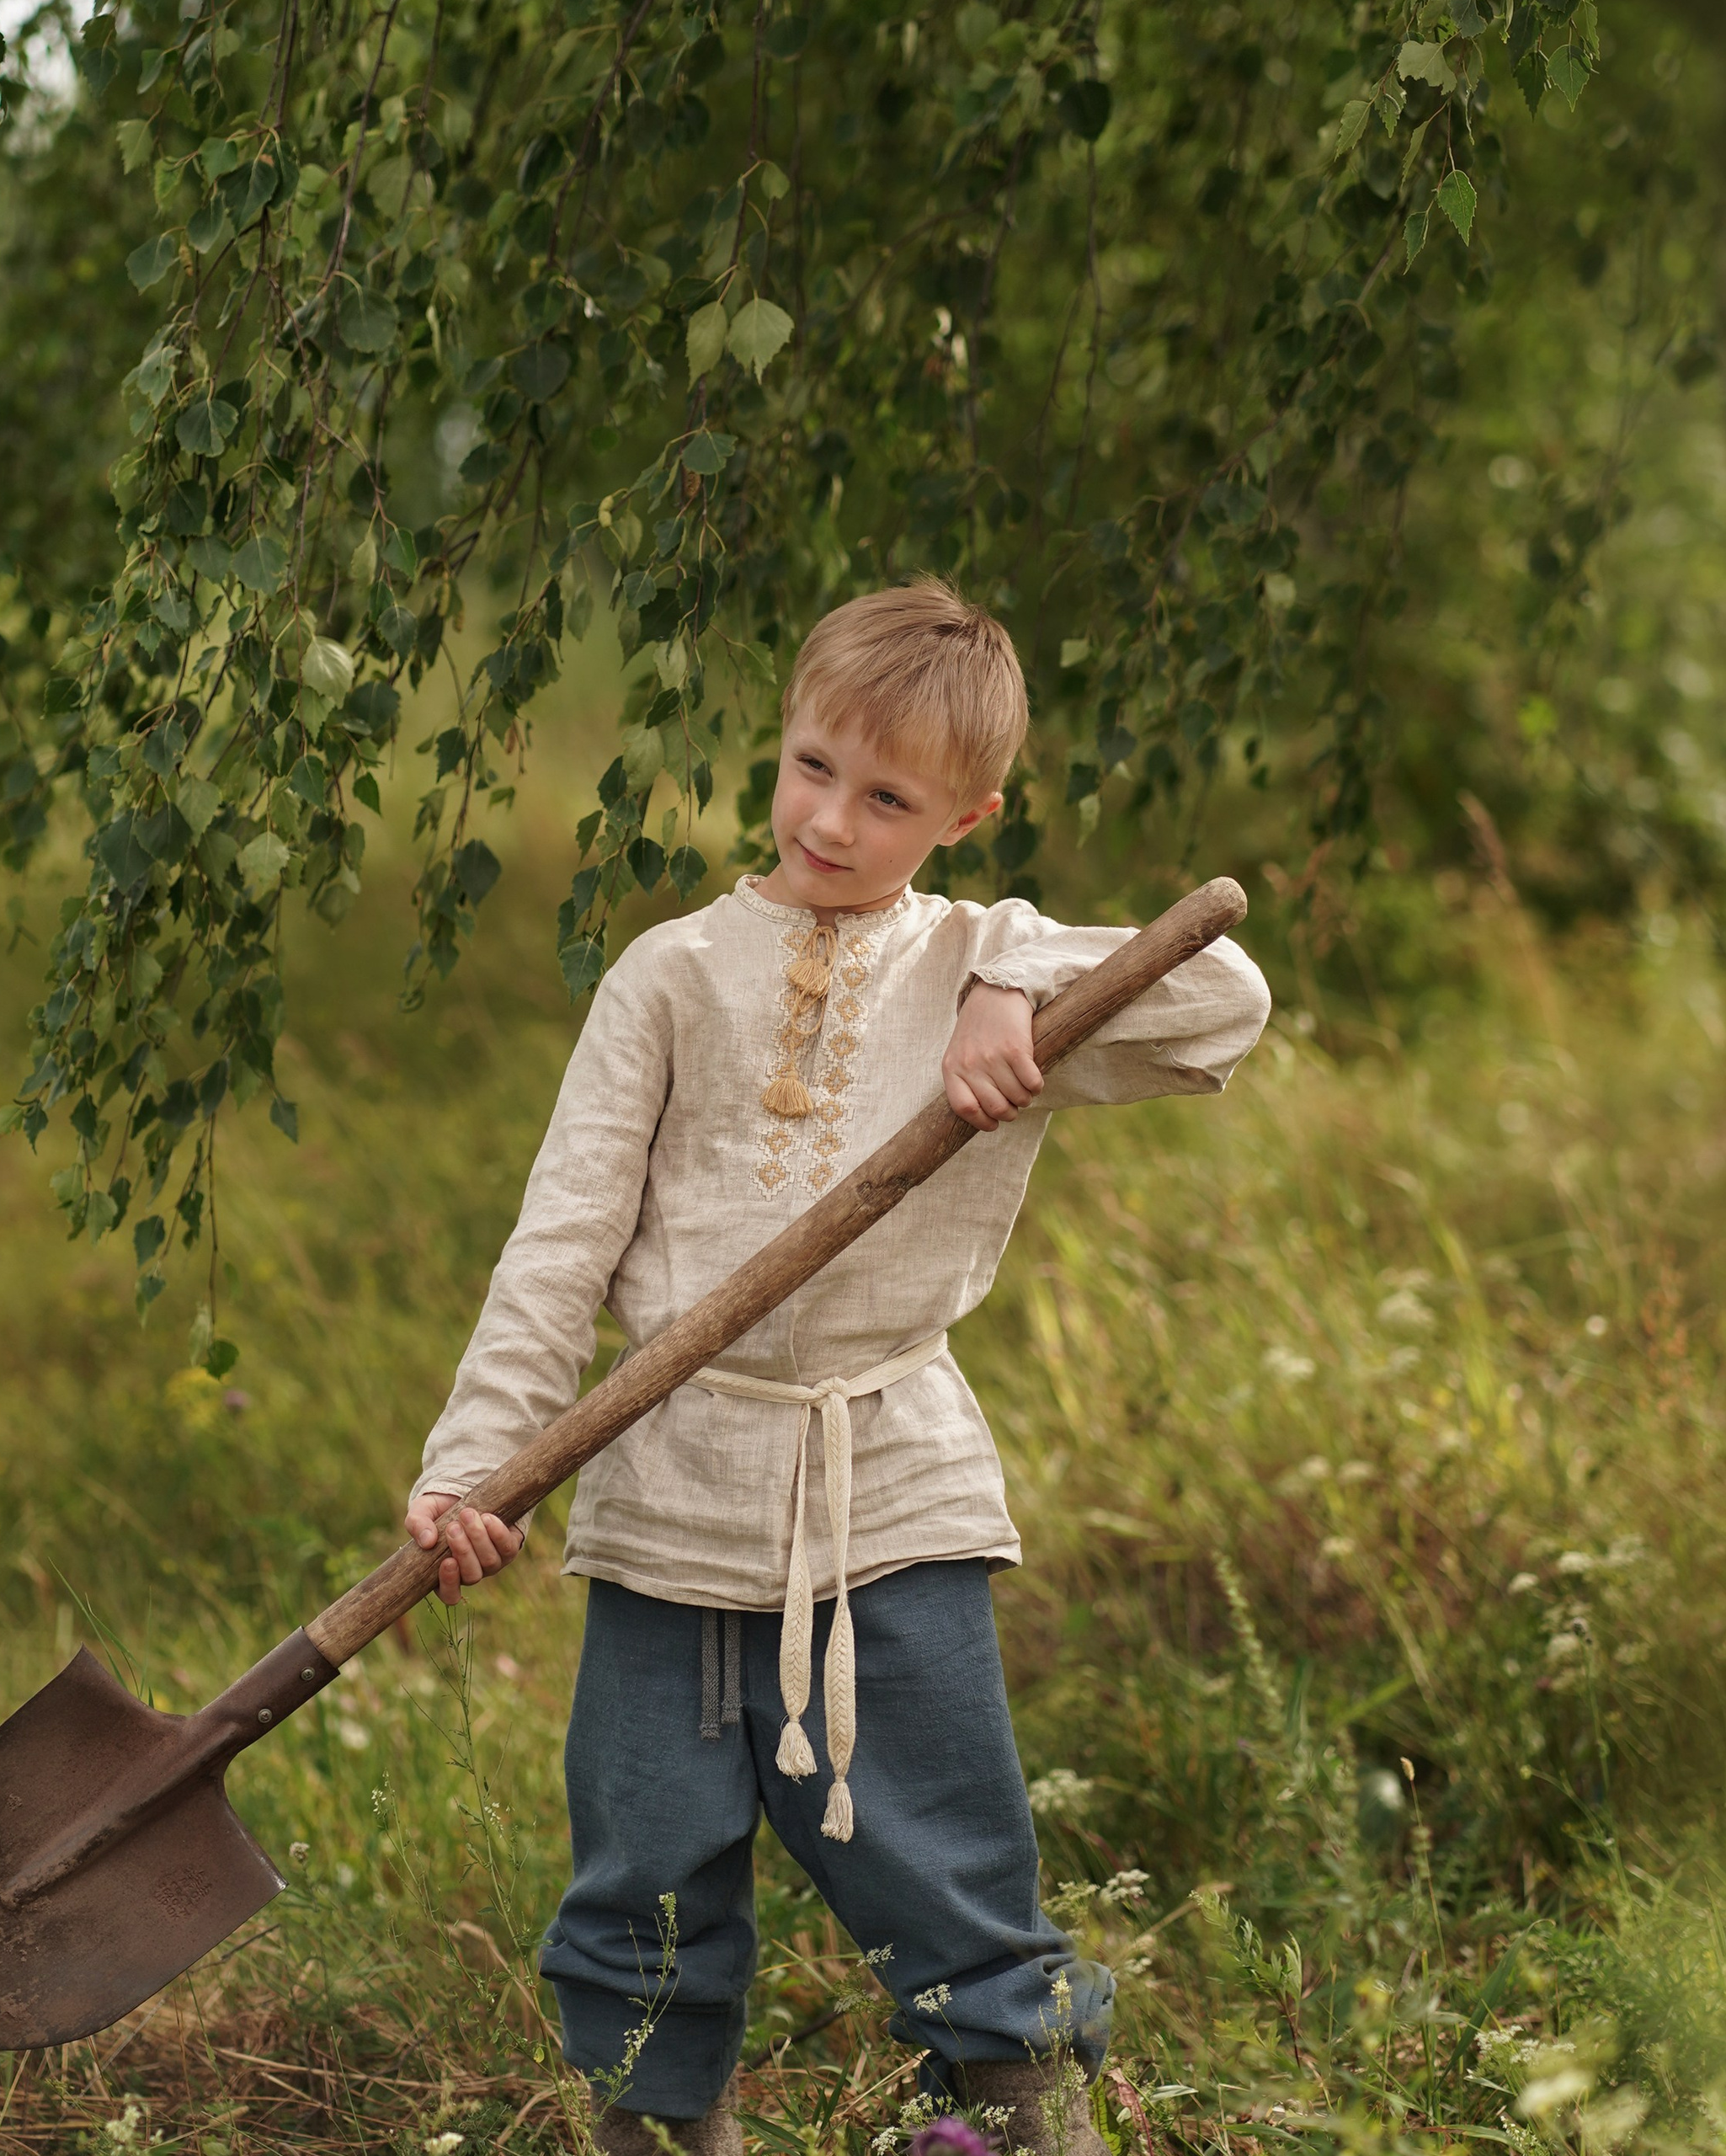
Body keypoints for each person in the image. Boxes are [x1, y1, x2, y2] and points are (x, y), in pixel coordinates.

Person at [405, 579, 1271, 2156]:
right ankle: (665, 2132)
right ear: (781, 742)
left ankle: (1023, 2123)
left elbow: (1225, 1002)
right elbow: (559, 1247)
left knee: (944, 1856)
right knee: (644, 1868)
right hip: (671, 1482)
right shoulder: (669, 974)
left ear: (968, 814)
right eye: (816, 768)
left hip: (891, 1487)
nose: (833, 821)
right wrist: (472, 1466)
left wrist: (1012, 974)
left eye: (889, 800)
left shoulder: (977, 979)